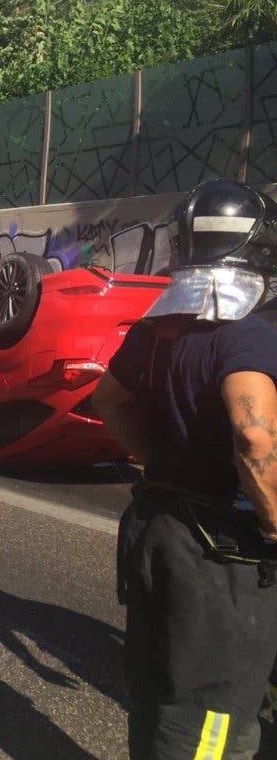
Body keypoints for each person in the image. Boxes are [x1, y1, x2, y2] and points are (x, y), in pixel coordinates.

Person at [92, 178, 277, 759]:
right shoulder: (248, 335)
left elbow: (108, 400)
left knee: (158, 693)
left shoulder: (154, 332)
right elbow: (254, 437)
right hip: (223, 550)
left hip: (159, 527)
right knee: (213, 716)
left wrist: (156, 454)